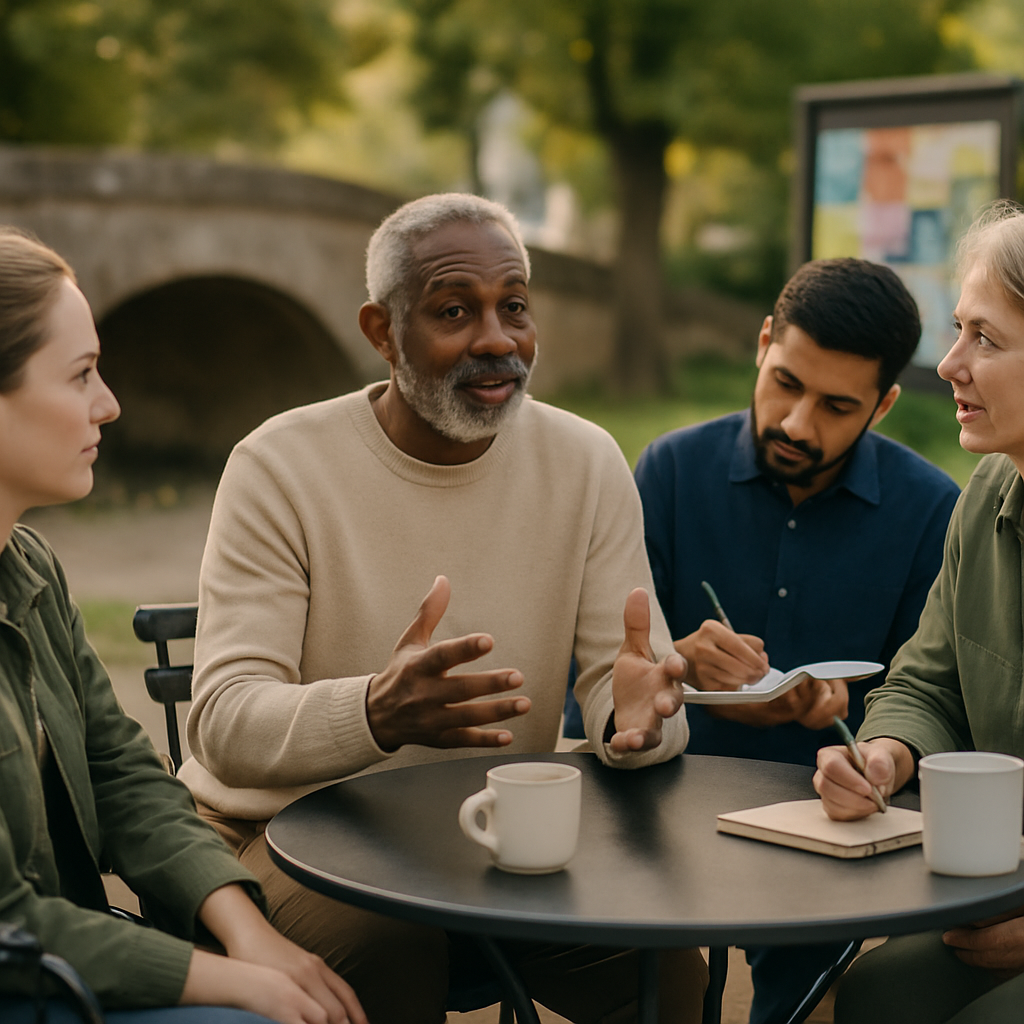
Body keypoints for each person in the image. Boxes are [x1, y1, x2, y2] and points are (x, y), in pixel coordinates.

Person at [180, 193, 706, 1024]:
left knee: (666, 967)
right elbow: (223, 722)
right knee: (389, 950)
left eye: (515, 306)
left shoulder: (586, 461)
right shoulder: (278, 466)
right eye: (455, 311)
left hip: (492, 833)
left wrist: (634, 723)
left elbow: (630, 687)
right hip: (285, 834)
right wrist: (375, 713)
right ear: (383, 332)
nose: (497, 339)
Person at [0, 228, 368, 1024]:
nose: (109, 404)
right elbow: (9, 925)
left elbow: (123, 774)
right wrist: (236, 983)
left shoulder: (31, 568)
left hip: (71, 965)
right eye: (82, 374)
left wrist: (249, 934)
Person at [632, 258, 960, 1024]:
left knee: (810, 997)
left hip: (828, 825)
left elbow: (932, 703)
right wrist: (675, 664)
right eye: (785, 383)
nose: (797, 425)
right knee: (646, 987)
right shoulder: (670, 471)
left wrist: (856, 719)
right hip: (664, 808)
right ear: (762, 344)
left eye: (837, 406)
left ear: (883, 405)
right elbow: (601, 686)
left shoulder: (931, 511)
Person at [813, 201, 1024, 1024]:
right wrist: (884, 756)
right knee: (874, 996)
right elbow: (928, 683)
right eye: (958, 330)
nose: (950, 364)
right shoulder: (988, 494)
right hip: (1000, 885)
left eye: (986, 339)